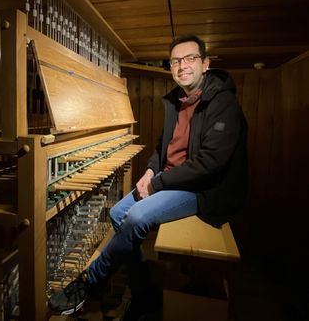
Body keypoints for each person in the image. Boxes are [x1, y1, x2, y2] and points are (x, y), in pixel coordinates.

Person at [48, 34, 248, 318]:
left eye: (190, 58)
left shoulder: (222, 102)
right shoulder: (176, 100)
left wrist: (156, 184)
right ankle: (144, 292)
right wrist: (151, 171)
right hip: (171, 179)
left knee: (138, 218)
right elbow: (161, 148)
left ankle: (91, 282)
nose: (182, 66)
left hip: (204, 189)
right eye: (176, 61)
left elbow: (210, 163)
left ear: (205, 64)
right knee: (118, 212)